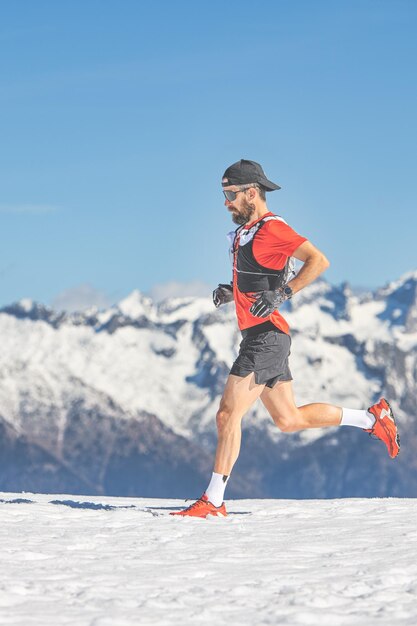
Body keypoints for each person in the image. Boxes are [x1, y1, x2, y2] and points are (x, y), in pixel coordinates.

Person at [171, 159, 400, 519]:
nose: (226, 202)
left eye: (231, 194)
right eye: (223, 194)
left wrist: (284, 294)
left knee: (227, 413)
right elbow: (260, 277)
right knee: (289, 420)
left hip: (265, 338)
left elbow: (318, 261)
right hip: (263, 336)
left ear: (251, 192)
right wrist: (233, 292)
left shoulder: (271, 229)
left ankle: (213, 501)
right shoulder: (244, 234)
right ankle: (373, 419)